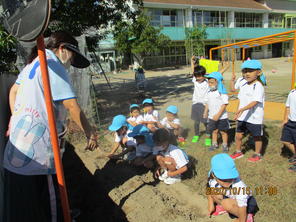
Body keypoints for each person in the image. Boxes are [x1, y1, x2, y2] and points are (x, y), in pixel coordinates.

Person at [4, 31, 97, 222]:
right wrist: (90, 133)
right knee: (50, 198)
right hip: (37, 152)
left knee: (30, 202)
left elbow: (13, 91)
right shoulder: (52, 64)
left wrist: (17, 118)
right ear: (63, 49)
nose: (70, 64)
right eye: (72, 58)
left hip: (16, 148)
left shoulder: (33, 64)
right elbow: (71, 105)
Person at [207, 154, 259, 222]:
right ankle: (224, 207)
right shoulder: (212, 177)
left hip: (247, 204)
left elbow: (242, 206)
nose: (228, 182)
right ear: (214, 175)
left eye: (231, 178)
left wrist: (241, 220)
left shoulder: (240, 187)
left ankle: (247, 216)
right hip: (230, 197)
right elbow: (209, 188)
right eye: (223, 179)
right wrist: (211, 204)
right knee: (214, 192)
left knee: (226, 204)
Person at [231, 60, 265, 162]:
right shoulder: (242, 82)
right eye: (244, 71)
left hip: (254, 117)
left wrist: (242, 109)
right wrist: (232, 81)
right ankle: (238, 151)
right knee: (238, 135)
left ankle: (257, 154)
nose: (247, 74)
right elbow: (233, 90)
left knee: (256, 137)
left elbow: (255, 102)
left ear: (258, 72)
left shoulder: (258, 86)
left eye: (250, 71)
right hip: (242, 115)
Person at [203, 72, 230, 152]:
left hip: (222, 117)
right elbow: (207, 103)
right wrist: (205, 112)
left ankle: (225, 145)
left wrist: (218, 115)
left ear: (218, 82)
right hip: (212, 117)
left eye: (212, 82)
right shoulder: (209, 92)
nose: (209, 84)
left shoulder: (222, 93)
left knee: (223, 132)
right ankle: (214, 144)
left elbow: (224, 104)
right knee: (214, 131)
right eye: (209, 82)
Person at [190, 65, 210, 146]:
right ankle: (196, 134)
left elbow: (217, 75)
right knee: (196, 122)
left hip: (204, 105)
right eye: (196, 76)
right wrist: (192, 62)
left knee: (206, 122)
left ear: (203, 75)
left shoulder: (207, 82)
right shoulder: (195, 81)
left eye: (199, 76)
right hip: (195, 104)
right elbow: (193, 70)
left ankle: (208, 137)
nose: (197, 78)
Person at [281, 87, 296, 172]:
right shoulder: (292, 92)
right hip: (290, 122)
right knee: (285, 140)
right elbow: (288, 107)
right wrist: (285, 119)